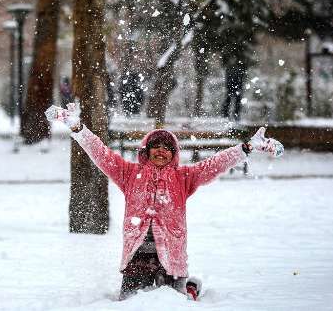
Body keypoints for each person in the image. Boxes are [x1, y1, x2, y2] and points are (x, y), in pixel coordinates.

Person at [45, 104, 284, 300]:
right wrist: (77, 127)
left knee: (173, 303)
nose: (161, 151)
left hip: (171, 256)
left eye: (167, 148)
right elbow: (100, 153)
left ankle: (189, 287)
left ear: (174, 153)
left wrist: (247, 148)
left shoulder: (184, 177)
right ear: (146, 151)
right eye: (155, 147)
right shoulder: (128, 173)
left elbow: (215, 163)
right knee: (129, 303)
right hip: (136, 257)